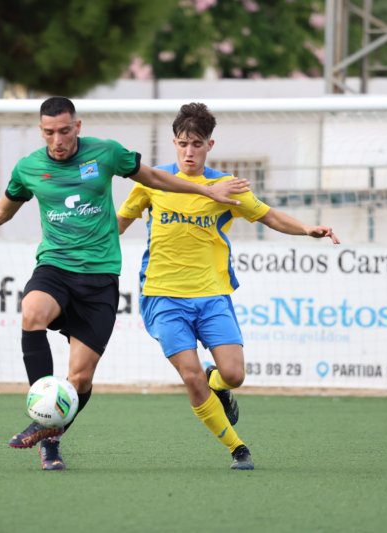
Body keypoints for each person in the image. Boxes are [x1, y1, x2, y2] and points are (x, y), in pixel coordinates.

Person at [0, 96, 249, 471]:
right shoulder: (29, 168)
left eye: (63, 131)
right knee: (32, 311)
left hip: (100, 279)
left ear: (77, 127)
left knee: (81, 378)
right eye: (48, 133)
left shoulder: (106, 154)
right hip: (56, 267)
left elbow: (156, 178)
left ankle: (51, 438)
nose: (56, 140)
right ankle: (42, 410)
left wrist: (207, 190)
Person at [117, 102, 340, 470]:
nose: (189, 152)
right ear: (174, 143)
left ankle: (217, 383)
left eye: (197, 144)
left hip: (211, 295)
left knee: (234, 374)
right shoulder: (152, 182)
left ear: (210, 145)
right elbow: (118, 225)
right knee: (190, 376)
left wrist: (306, 229)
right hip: (162, 295)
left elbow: (267, 214)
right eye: (183, 143)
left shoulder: (225, 186)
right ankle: (238, 449)